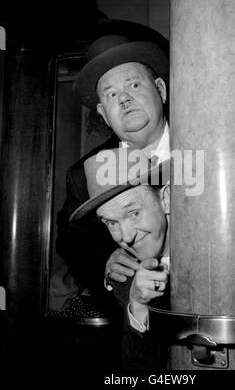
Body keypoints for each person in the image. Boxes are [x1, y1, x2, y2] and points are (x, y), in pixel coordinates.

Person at [54, 28, 169, 311]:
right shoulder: (84, 175)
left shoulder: (212, 152)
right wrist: (106, 263)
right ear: (104, 114)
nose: (124, 100)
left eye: (134, 86)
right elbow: (71, 244)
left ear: (161, 90)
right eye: (112, 94)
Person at [69, 147, 171, 370]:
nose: (126, 237)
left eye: (134, 213)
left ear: (166, 199)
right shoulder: (123, 280)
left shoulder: (213, 254)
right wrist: (139, 307)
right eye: (111, 223)